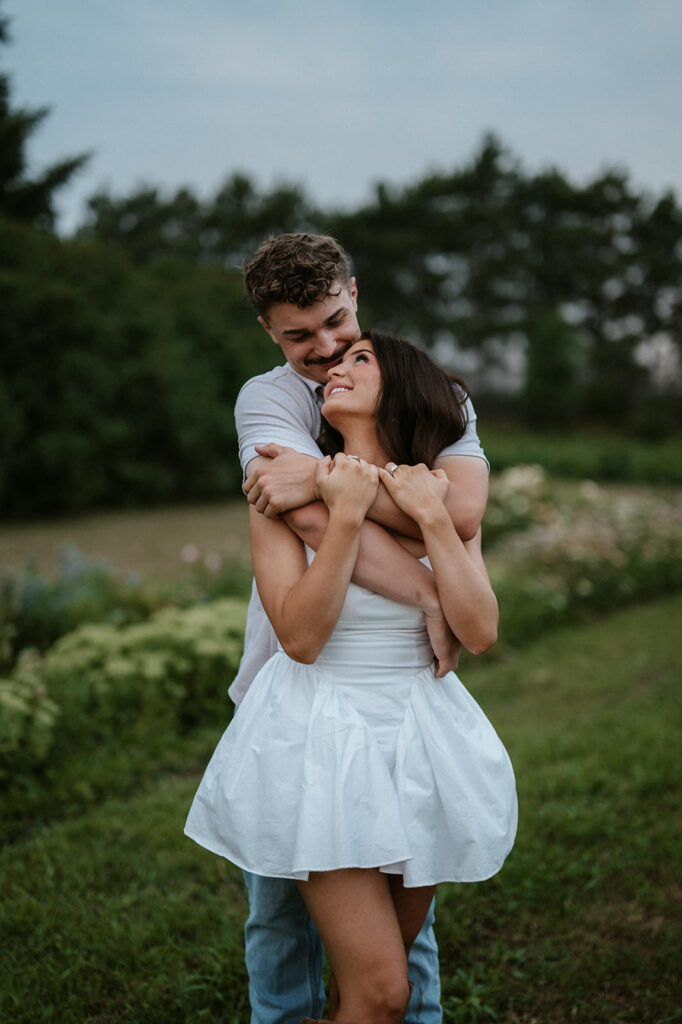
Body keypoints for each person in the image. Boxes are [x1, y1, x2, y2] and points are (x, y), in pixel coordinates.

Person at [185, 330, 517, 1024]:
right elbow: (301, 638)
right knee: (382, 992)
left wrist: (427, 515)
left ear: (401, 388)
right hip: (323, 734)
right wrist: (342, 516)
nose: (336, 365)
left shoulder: (437, 494)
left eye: (360, 358)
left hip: (420, 738)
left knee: (371, 986)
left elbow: (480, 629)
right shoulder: (282, 491)